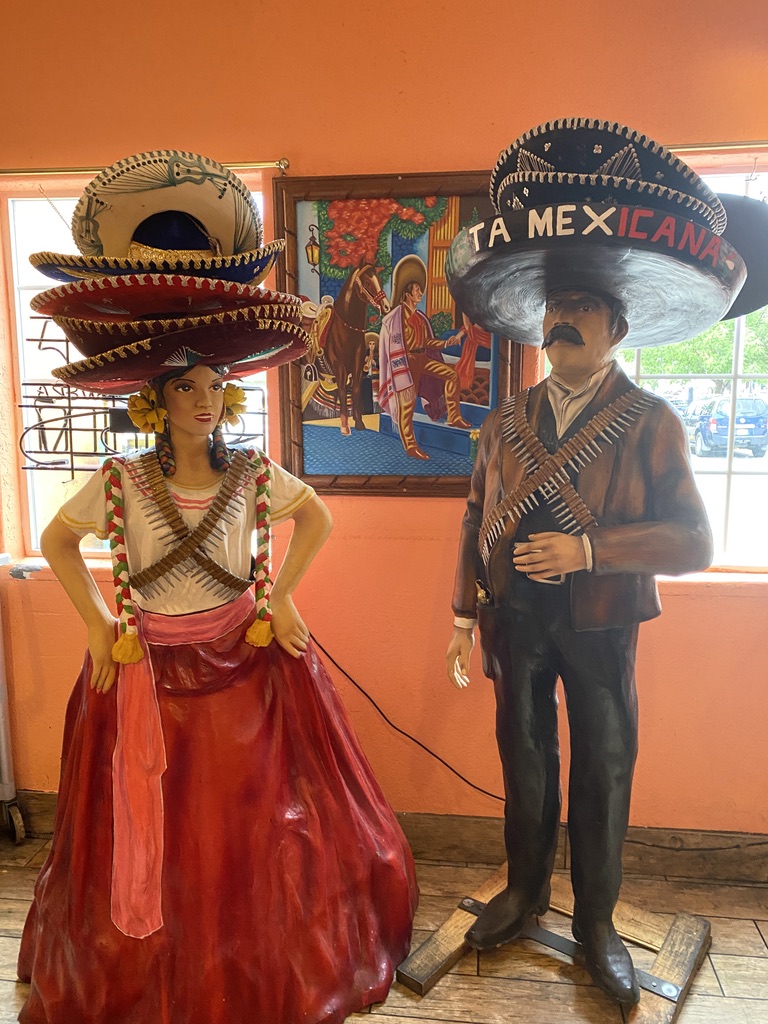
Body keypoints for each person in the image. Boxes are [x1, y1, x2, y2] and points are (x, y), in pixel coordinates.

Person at [17, 151, 417, 1024]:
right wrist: (93, 622)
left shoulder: (251, 476)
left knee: (260, 824)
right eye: (187, 387)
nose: (206, 399)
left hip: (248, 665)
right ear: (158, 402)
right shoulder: (121, 479)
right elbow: (55, 538)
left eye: (216, 387)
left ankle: (265, 958)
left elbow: (315, 519)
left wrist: (281, 597)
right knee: (150, 835)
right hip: (143, 674)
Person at [442, 118, 768, 1008]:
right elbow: (475, 515)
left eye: (581, 309)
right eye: (554, 310)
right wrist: (465, 613)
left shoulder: (652, 420)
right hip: (515, 619)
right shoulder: (505, 422)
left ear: (616, 326)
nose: (560, 323)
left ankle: (595, 925)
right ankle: (521, 892)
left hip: (600, 625)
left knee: (603, 768)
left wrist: (589, 549)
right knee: (524, 759)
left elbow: (694, 541)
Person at [378, 254, 470, 459]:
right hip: (405, 363)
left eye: (420, 288)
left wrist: (446, 343)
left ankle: (454, 416)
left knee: (452, 375)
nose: (420, 292)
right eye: (417, 289)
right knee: (407, 405)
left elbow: (427, 343)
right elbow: (392, 349)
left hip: (422, 360)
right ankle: (410, 445)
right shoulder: (394, 319)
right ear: (407, 294)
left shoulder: (420, 318)